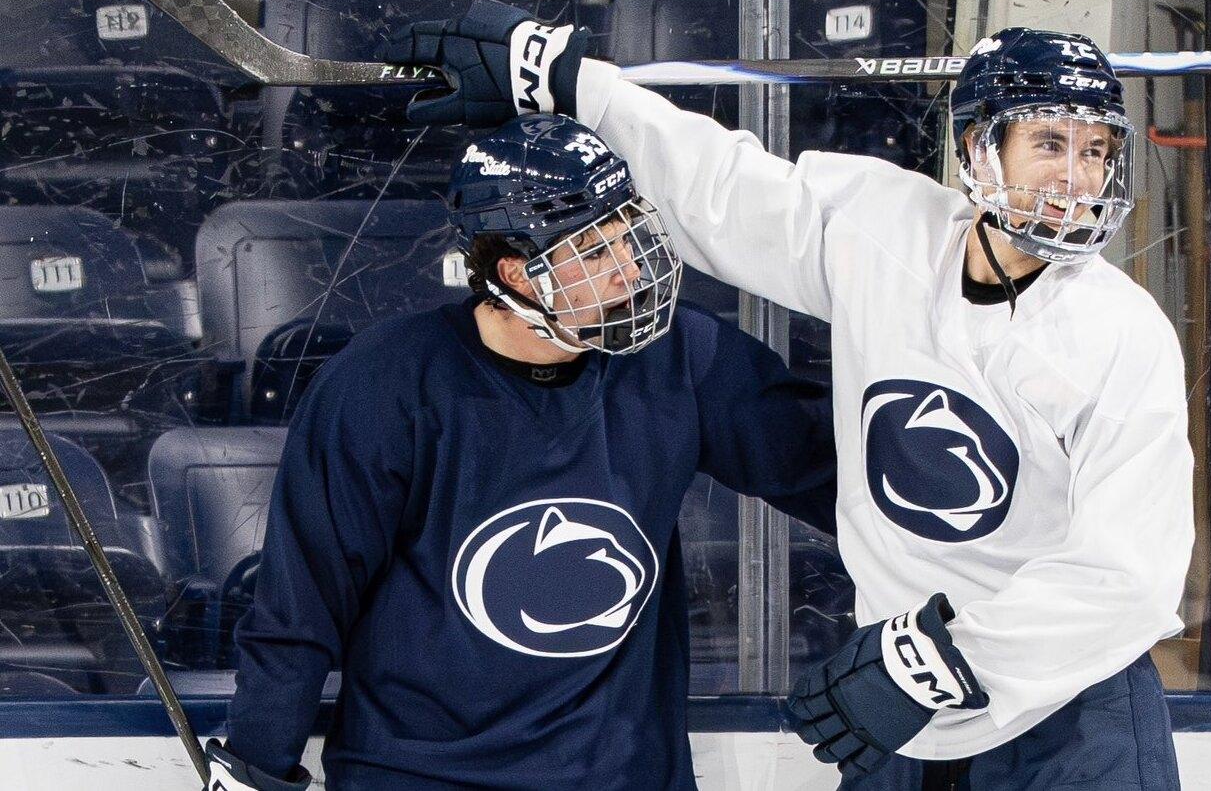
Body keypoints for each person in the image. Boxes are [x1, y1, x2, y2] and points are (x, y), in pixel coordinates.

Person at [382, 6, 1194, 791]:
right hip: (899, 690)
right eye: (1050, 142)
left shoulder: (1123, 333)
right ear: (980, 147)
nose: (1078, 176)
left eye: (1096, 150)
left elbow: (1129, 575)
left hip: (1067, 709)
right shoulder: (891, 232)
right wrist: (570, 80)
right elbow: (726, 190)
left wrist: (946, 657)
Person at [203, 113, 837, 790]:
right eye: (595, 252)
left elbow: (836, 474)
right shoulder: (384, 385)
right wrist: (257, 768)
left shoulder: (680, 357)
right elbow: (302, 605)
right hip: (420, 774)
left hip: (619, 776)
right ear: (518, 272)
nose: (629, 268)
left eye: (627, 235)